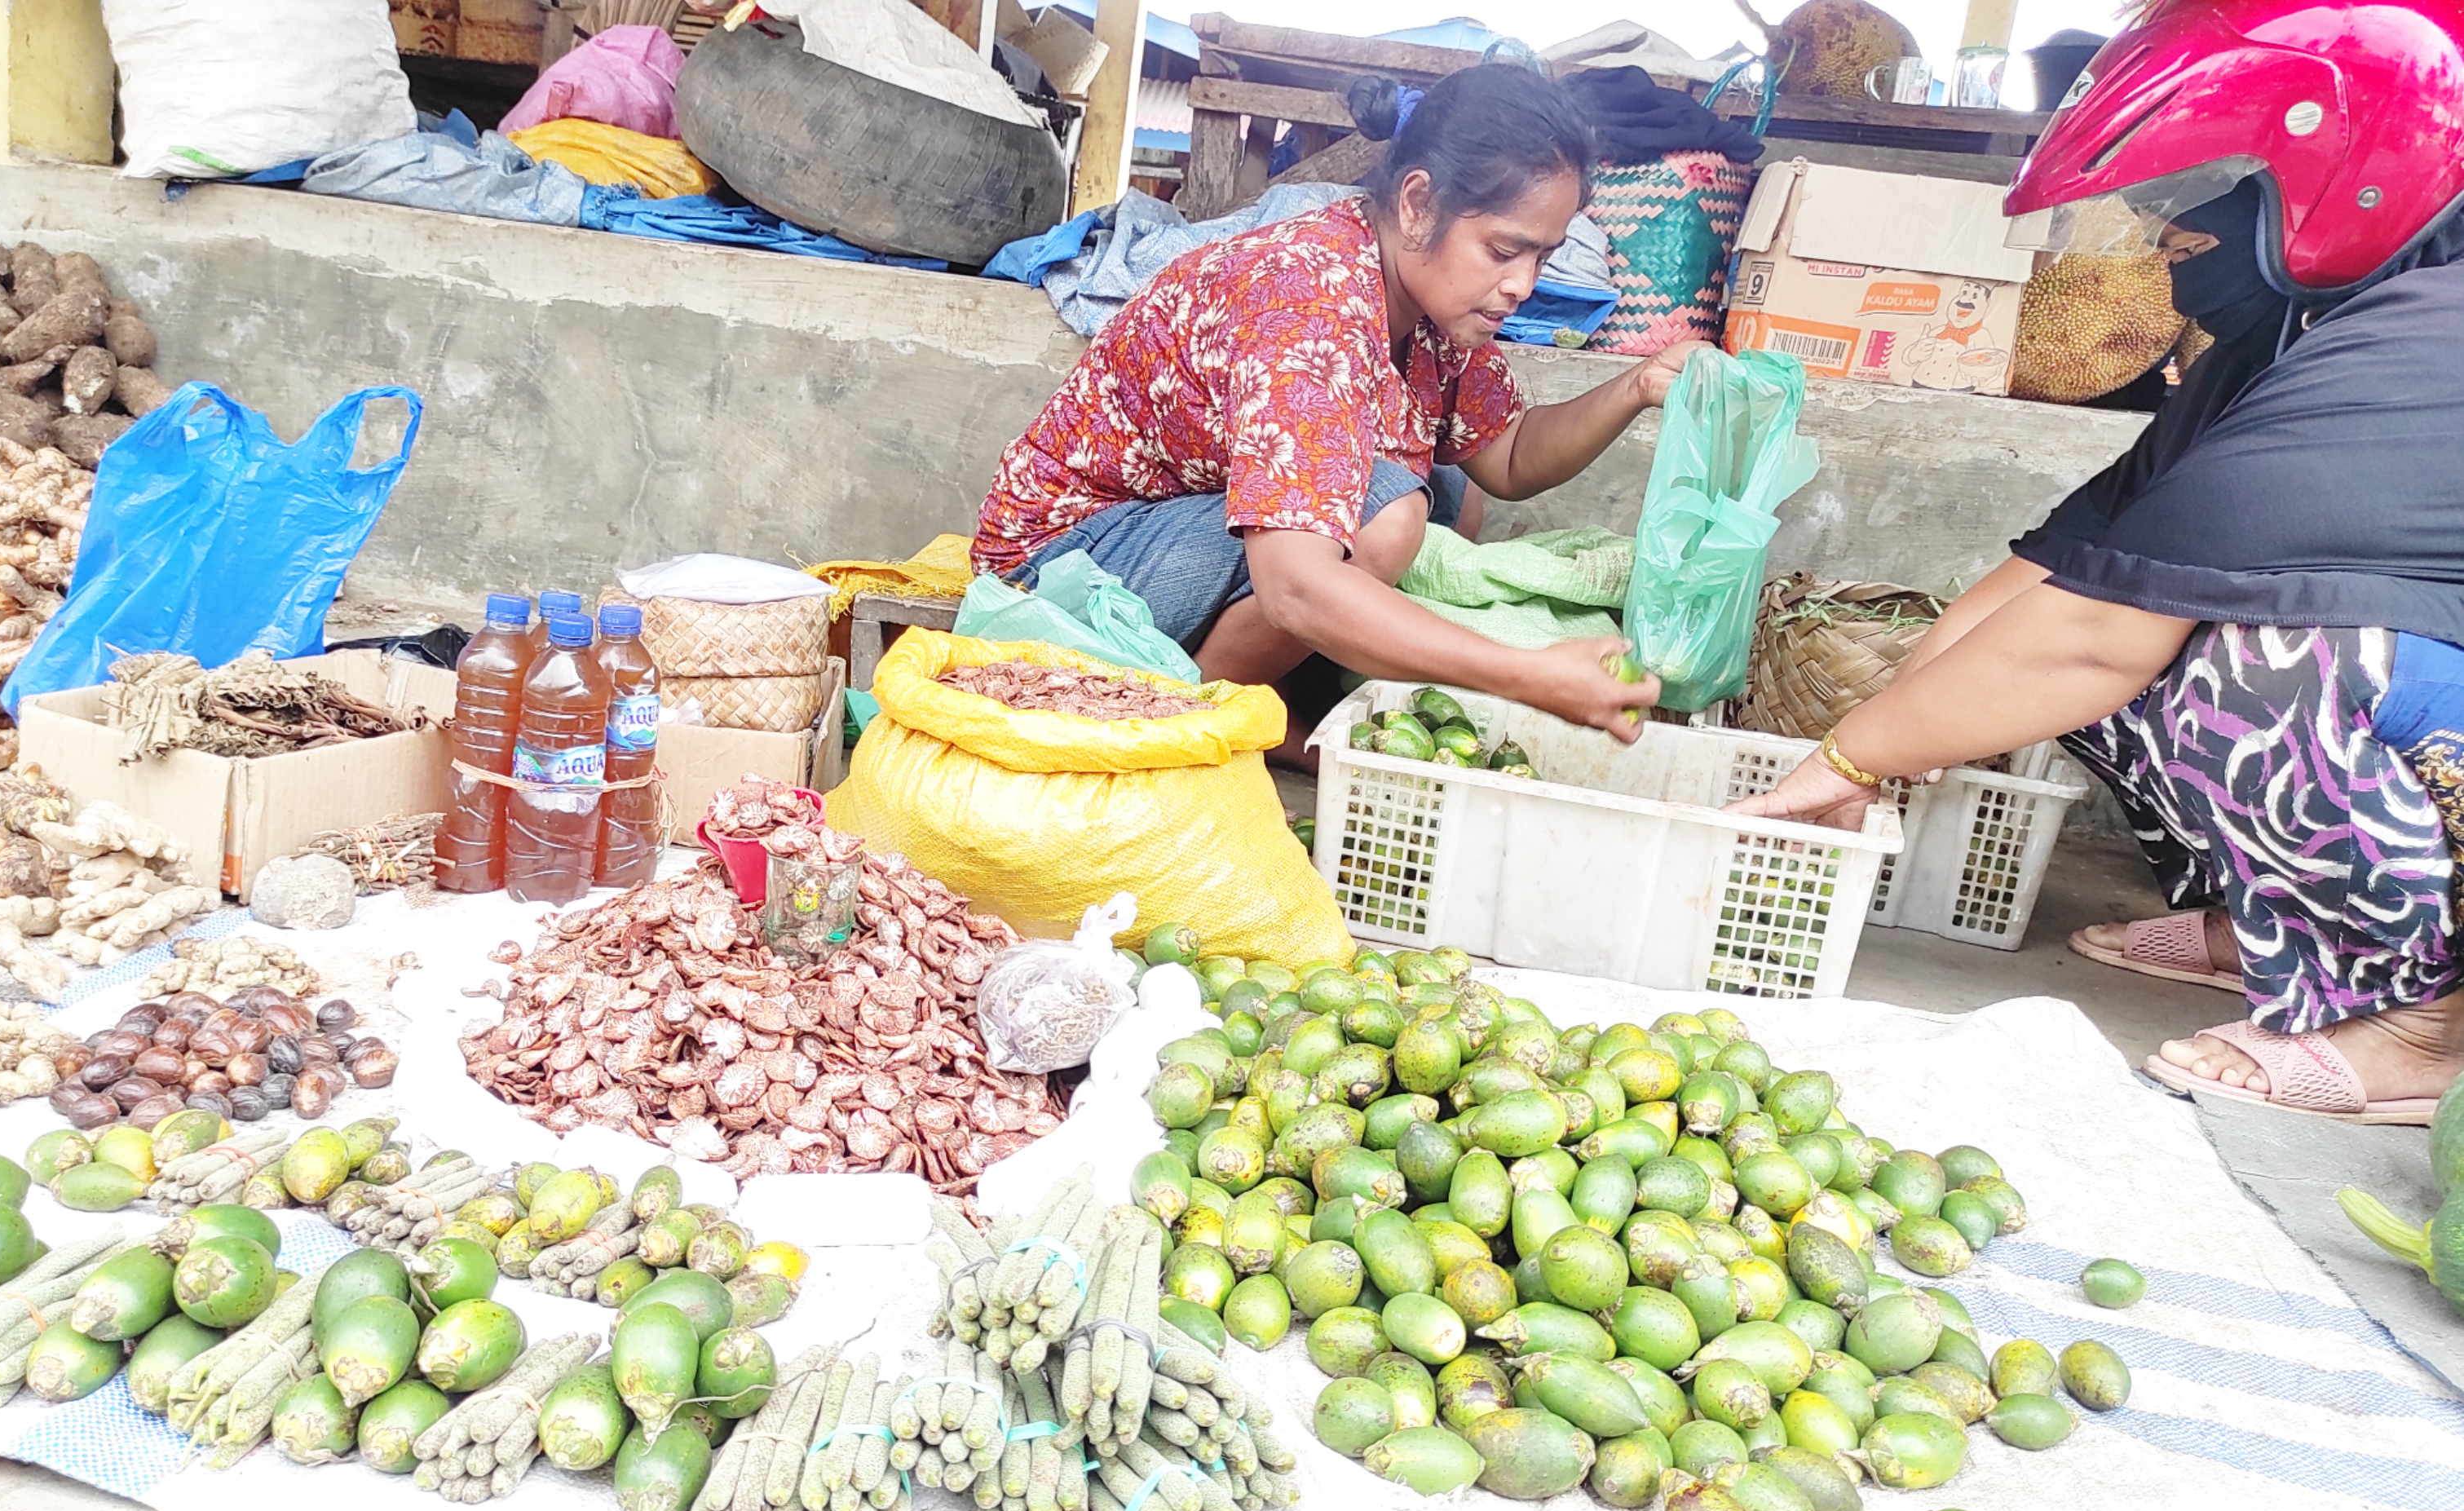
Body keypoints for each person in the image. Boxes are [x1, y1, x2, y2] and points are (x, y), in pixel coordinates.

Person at [1730, 0, 2464, 1124]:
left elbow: (2094, 632)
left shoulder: (2427, 341)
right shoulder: (2276, 349)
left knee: (2270, 663)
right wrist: (1900, 699)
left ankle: (2426, 1026)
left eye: (2200, 203)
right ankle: (2274, 934)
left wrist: (1850, 761)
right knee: (2077, 669)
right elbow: (2068, 569)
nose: (2169, 235)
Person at [971, 63, 1683, 743]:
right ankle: (1190, 728)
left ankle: (1261, 703)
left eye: (1542, 257)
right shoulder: (1309, 302)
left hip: (1170, 536)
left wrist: (1635, 387)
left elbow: (1509, 453)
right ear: (1416, 205)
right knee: (1388, 515)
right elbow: (1295, 590)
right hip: (1059, 567)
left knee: (1451, 488)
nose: (1523, 283)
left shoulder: (1434, 307)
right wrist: (1526, 675)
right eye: (1503, 251)